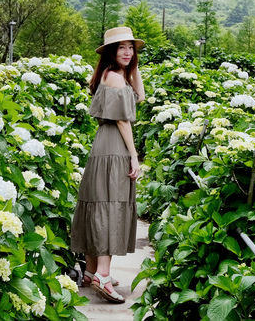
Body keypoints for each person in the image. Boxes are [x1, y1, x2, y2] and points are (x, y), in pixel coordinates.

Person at [70, 27, 146, 303]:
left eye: (131, 48)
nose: (127, 52)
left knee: (100, 203)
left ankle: (91, 271)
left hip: (105, 145)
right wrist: (134, 155)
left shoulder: (116, 76)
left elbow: (141, 95)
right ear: (111, 53)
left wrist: (133, 67)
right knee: (110, 206)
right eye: (121, 48)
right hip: (114, 146)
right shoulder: (113, 77)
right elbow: (123, 120)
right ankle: (103, 273)